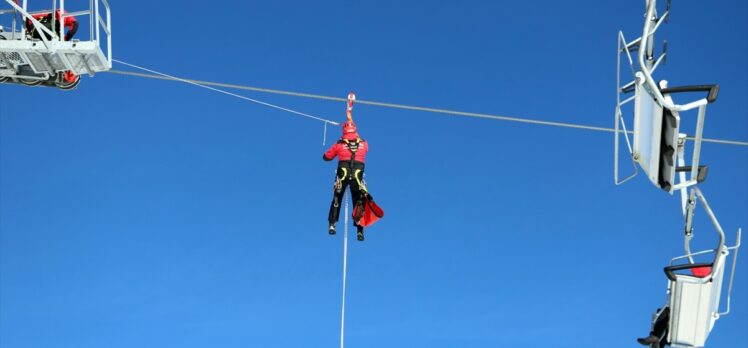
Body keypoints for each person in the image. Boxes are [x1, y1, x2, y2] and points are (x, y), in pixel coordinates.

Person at [323, 104, 369, 241]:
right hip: (357, 176)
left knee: (337, 197)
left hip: (342, 175)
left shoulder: (339, 144)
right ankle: (360, 230)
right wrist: (349, 115)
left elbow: (326, 157)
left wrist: (348, 116)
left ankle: (332, 223)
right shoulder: (364, 144)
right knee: (358, 201)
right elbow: (357, 137)